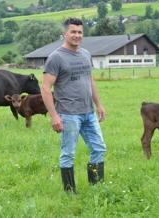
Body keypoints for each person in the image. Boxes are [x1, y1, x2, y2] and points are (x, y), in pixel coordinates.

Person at [41, 17, 106, 194]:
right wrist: (54, 115)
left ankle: (96, 185)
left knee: (99, 148)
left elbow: (90, 80)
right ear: (64, 33)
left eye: (80, 32)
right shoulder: (56, 58)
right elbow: (46, 88)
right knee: (68, 153)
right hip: (69, 114)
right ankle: (70, 192)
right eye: (73, 32)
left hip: (89, 112)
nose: (77, 35)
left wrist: (98, 104)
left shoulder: (85, 54)